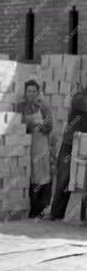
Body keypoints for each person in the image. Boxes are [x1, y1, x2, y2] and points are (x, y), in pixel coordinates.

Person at [50, 85, 87, 220]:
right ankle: (56, 214)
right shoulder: (79, 97)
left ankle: (84, 216)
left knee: (85, 180)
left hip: (84, 144)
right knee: (64, 178)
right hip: (70, 144)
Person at [17, 80, 53, 218]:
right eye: (28, 91)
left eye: (33, 91)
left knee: (42, 176)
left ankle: (41, 210)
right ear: (25, 93)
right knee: (30, 175)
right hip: (26, 145)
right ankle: (32, 209)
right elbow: (16, 125)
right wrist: (28, 126)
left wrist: (37, 125)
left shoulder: (43, 106)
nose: (31, 94)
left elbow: (50, 125)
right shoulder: (21, 107)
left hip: (41, 144)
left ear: (38, 92)